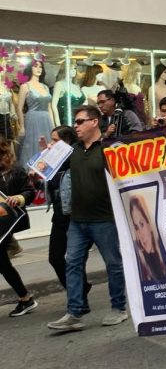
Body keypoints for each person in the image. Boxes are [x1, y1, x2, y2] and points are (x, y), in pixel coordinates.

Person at [48, 105, 128, 331]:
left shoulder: (107, 149)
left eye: (80, 121)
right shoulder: (73, 150)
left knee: (113, 265)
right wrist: (45, 157)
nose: (76, 126)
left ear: (94, 122)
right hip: (78, 220)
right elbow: (50, 174)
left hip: (104, 219)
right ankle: (75, 312)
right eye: (75, 122)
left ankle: (119, 308)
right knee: (72, 264)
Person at [44, 125, 92, 298]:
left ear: (67, 142)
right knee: (55, 257)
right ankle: (79, 289)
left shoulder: (76, 158)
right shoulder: (52, 161)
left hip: (75, 215)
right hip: (59, 214)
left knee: (75, 259)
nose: (52, 144)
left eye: (55, 140)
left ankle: (77, 296)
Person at [0, 138, 38, 317]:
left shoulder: (14, 170)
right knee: (2, 263)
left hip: (7, 221)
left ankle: (26, 298)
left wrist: (18, 199)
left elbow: (29, 192)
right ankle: (25, 298)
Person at [127, 195, 166, 282]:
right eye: (136, 227)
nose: (140, 234)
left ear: (149, 225)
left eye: (142, 224)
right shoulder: (139, 265)